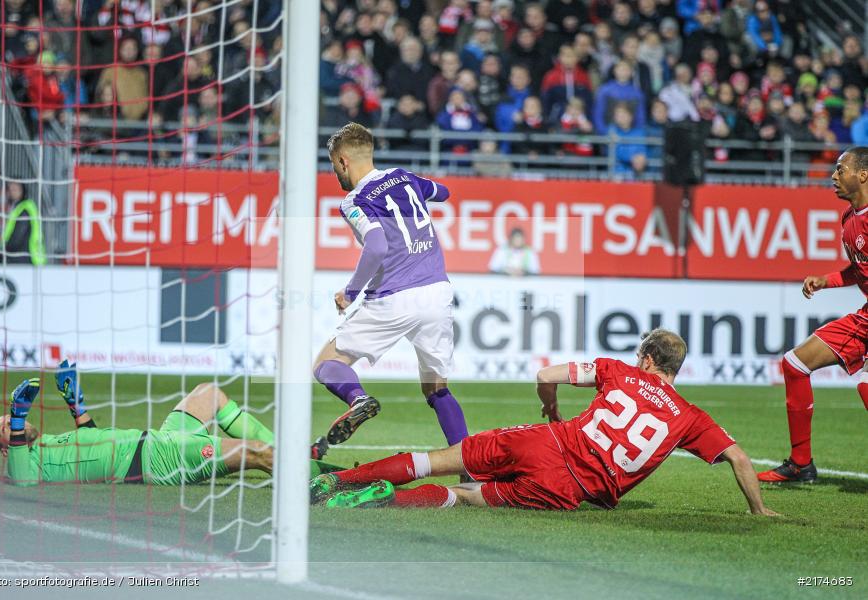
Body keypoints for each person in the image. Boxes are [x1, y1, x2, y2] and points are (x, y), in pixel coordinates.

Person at [310, 329, 778, 517]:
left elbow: (544, 375)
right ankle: (387, 501)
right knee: (466, 495)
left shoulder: (619, 371)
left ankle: (340, 481)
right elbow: (737, 457)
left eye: (641, 353)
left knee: (438, 461)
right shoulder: (690, 418)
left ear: (650, 358)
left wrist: (551, 409)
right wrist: (758, 510)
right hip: (568, 489)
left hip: (545, 441)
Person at [314, 123, 468, 448]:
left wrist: (351, 293)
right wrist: (416, 189)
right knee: (437, 387)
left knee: (327, 364)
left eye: (333, 166)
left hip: (394, 297)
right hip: (437, 292)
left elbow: (377, 245)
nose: (336, 173)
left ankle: (357, 400)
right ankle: (468, 466)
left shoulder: (354, 200)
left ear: (343, 161)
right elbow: (443, 192)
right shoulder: (405, 177)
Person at [0, 362, 339, 487]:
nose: (11, 421)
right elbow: (22, 479)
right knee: (257, 454)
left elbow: (92, 438)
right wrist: (21, 415)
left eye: (10, 417)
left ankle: (296, 454)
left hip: (158, 440)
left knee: (209, 394)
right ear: (7, 447)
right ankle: (327, 481)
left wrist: (75, 402)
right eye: (5, 426)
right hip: (155, 462)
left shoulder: (51, 443)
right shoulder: (26, 465)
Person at [758, 147, 868, 484]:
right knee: (795, 363)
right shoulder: (849, 220)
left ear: (862, 174)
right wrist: (826, 281)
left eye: (840, 169)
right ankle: (800, 464)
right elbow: (859, 269)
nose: (833, 176)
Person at [0, 181, 46, 266]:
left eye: (16, 189)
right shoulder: (17, 208)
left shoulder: (24, 209)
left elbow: (18, 236)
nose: (13, 192)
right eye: (11, 189)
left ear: (23, 190)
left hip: (23, 257)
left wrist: (5, 249)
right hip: (21, 256)